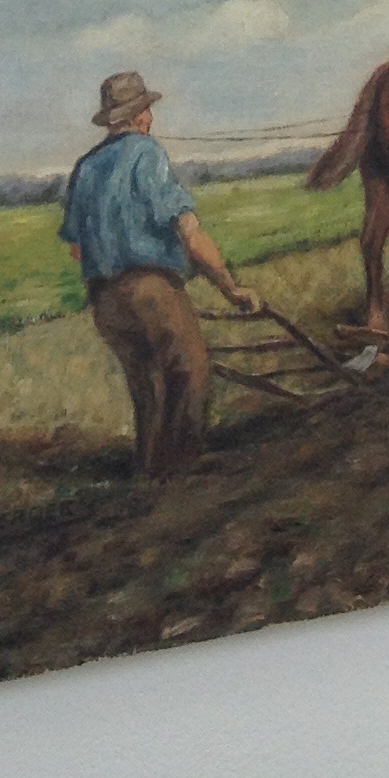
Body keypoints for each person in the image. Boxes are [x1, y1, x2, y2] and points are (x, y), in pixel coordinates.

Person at [59, 68, 260, 481]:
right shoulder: (146, 154)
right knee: (190, 372)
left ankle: (148, 476)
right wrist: (231, 287)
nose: (151, 118)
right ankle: (180, 475)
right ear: (139, 115)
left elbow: (76, 248)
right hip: (151, 289)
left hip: (103, 299)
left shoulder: (86, 167)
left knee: (147, 388)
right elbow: (189, 231)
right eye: (148, 110)